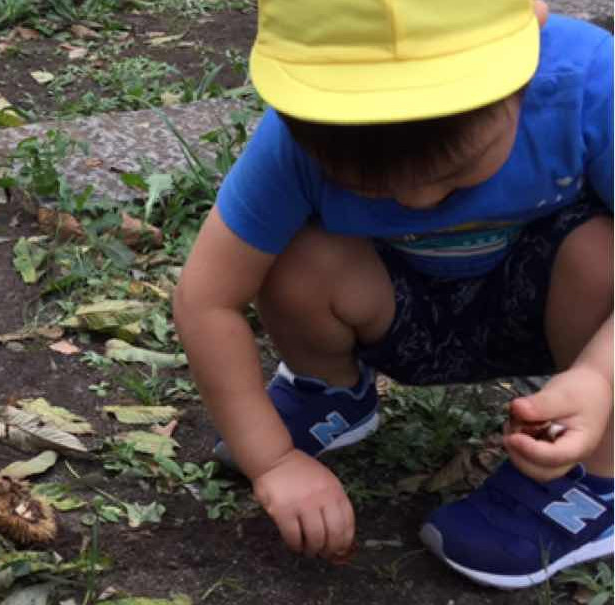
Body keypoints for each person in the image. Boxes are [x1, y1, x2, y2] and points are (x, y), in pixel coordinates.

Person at [174, 0, 612, 589]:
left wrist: (602, 376)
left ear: (528, 34)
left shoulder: (591, 86)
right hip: (401, 313)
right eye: (368, 185)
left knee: (599, 251)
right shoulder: (293, 139)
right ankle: (329, 389)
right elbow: (207, 298)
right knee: (292, 258)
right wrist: (272, 461)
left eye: (457, 172)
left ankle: (594, 475)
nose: (417, 202)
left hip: (556, 312)